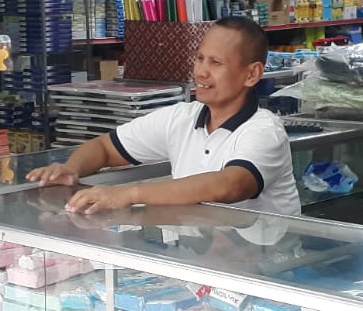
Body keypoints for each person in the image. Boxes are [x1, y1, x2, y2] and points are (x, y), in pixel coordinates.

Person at [27, 16, 302, 217]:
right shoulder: (181, 118)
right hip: (201, 261)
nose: (201, 72)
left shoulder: (264, 131)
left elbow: (231, 185)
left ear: (252, 74)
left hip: (266, 267)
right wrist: (72, 168)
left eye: (216, 63)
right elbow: (105, 147)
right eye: (199, 59)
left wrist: (130, 194)